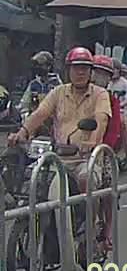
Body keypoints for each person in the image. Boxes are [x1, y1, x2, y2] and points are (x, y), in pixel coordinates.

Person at [7, 47, 113, 246]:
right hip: (57, 158)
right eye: (76, 68)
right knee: (32, 180)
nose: (80, 72)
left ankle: (89, 231)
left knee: (86, 179)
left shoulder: (100, 94)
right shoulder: (58, 92)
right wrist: (22, 133)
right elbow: (40, 114)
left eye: (84, 68)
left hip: (85, 158)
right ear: (68, 70)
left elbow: (102, 119)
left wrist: (92, 141)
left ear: (90, 72)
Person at [108, 60, 127, 155]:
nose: (113, 71)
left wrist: (120, 104)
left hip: (124, 110)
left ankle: (123, 148)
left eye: (115, 69)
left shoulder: (125, 83)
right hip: (111, 109)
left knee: (122, 122)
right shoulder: (109, 83)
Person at [20, 50, 62, 117]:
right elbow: (24, 104)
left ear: (49, 66)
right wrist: (26, 116)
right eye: (36, 65)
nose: (37, 67)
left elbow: (63, 104)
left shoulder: (57, 84)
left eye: (41, 65)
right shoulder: (33, 84)